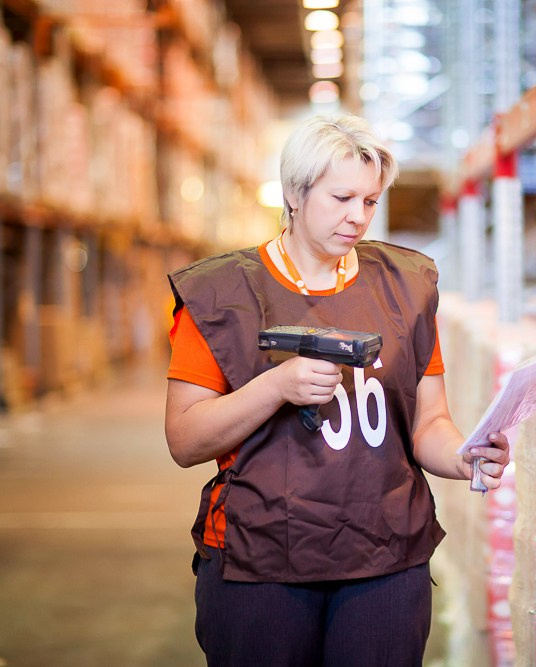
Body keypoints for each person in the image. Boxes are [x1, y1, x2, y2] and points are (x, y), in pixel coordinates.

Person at [164, 113, 510, 667]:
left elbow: (428, 425)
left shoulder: (407, 289)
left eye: (370, 202)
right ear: (294, 194)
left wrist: (463, 455)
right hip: (261, 558)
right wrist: (276, 385)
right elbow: (185, 440)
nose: (358, 218)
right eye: (342, 197)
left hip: (384, 557)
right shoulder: (220, 294)